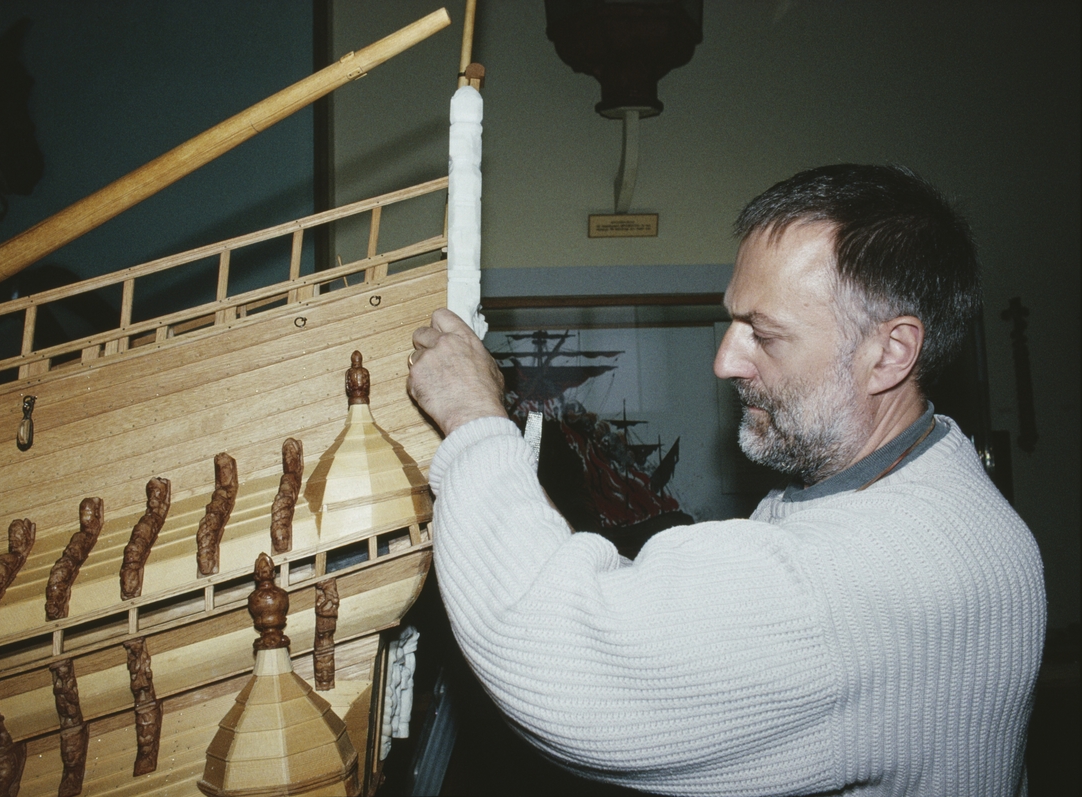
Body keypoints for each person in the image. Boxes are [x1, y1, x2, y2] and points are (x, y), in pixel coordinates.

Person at [406, 165, 1046, 796]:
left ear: (892, 352)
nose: (724, 360)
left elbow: (551, 653)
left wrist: (470, 415)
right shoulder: (927, 474)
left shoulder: (863, 575)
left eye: (764, 335)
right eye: (733, 321)